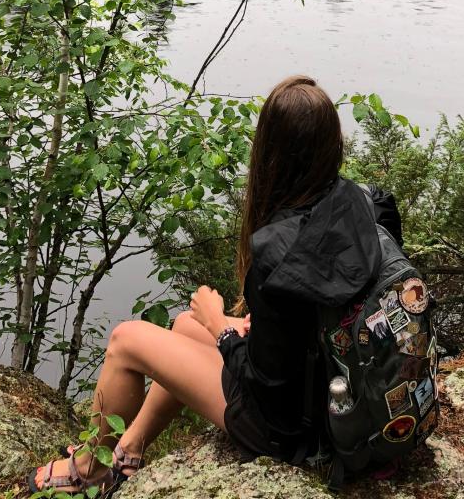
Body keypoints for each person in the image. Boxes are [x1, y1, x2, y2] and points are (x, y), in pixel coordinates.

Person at [29, 75, 399, 494]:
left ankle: (89, 467)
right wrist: (234, 328)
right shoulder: (369, 204)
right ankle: (129, 450)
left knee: (125, 340)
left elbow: (269, 393)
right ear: (334, 142)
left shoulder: (276, 256)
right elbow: (328, 313)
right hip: (345, 392)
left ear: (270, 152)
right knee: (185, 326)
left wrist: (221, 327)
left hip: (294, 430)